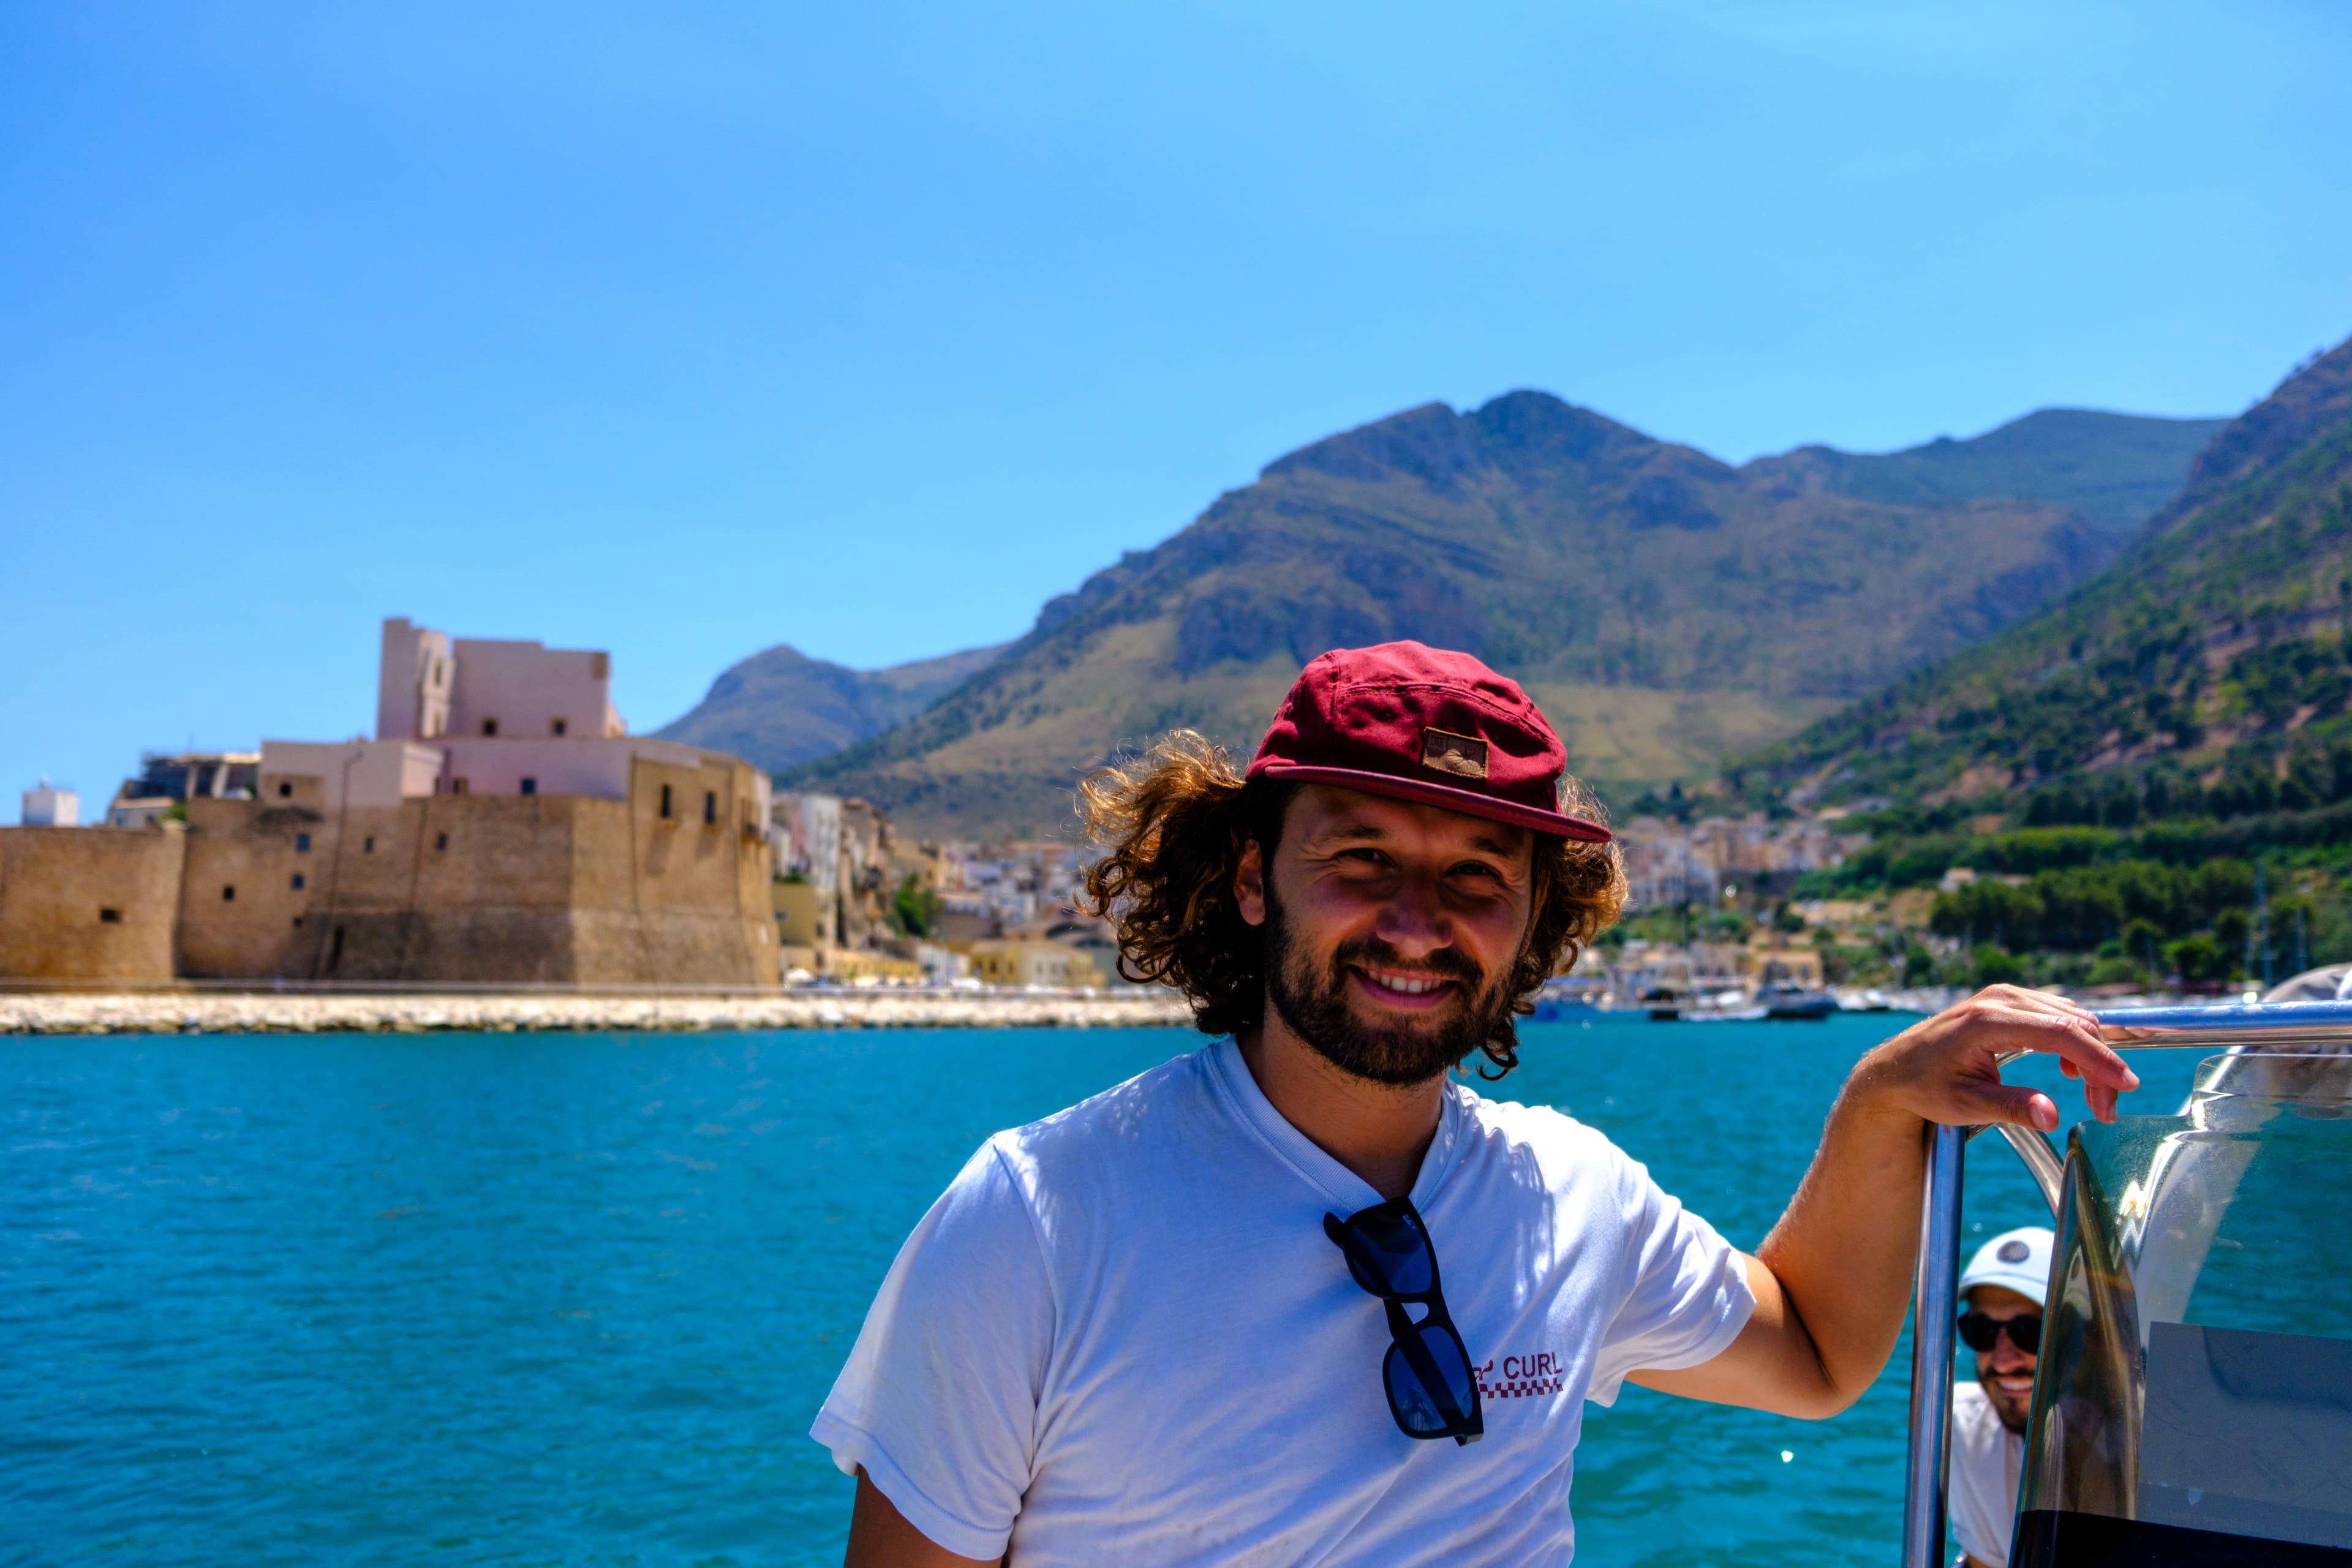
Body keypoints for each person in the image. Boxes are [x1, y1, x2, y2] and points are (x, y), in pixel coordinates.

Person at [813, 641, 2138, 1566]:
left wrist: (1877, 1097)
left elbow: (1815, 1353)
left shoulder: (1573, 1194)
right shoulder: (1038, 1215)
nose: (1417, 922)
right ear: (1250, 878)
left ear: (1529, 926)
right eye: (1361, 855)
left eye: (1479, 876)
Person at [1949, 1225, 2054, 1568]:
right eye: (1981, 1331)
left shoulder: (2152, 1451)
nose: (2003, 1361)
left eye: (2029, 1331)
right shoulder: (1964, 1425)